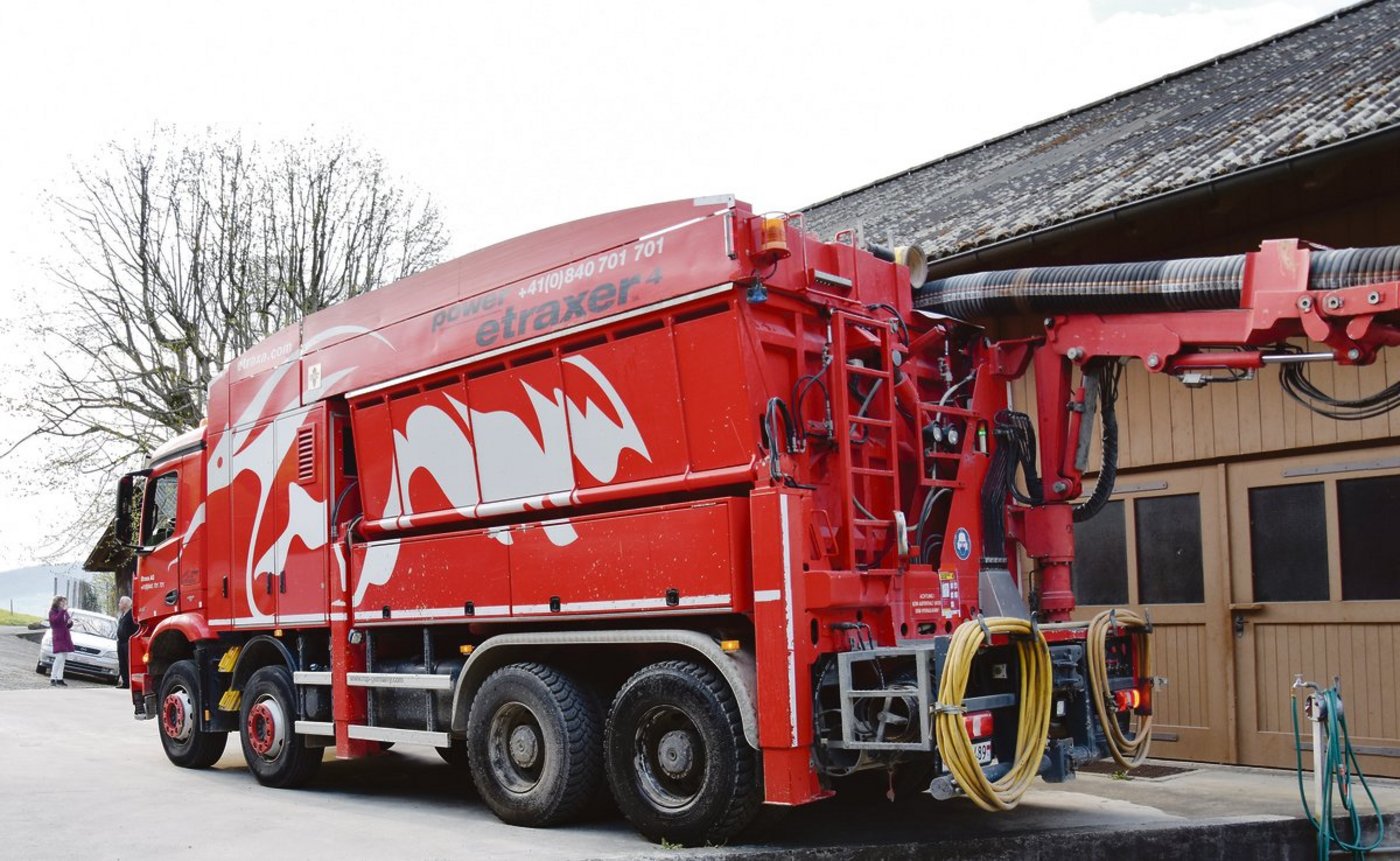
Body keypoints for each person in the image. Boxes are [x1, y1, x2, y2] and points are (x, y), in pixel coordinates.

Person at [48, 596, 74, 687]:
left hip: (65, 636)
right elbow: (55, 621)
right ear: (57, 602)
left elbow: (67, 624)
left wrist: (70, 622)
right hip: (58, 636)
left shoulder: (64, 612)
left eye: (65, 602)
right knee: (58, 657)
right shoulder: (52, 611)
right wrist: (63, 611)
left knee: (63, 658)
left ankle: (60, 678)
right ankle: (52, 678)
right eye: (62, 602)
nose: (64, 603)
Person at [115, 595, 136, 688]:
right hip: (121, 642)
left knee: (128, 662)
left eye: (120, 602)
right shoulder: (122, 615)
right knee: (122, 662)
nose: (119, 604)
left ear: (125, 604)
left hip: (127, 642)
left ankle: (130, 682)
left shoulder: (131, 615)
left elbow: (134, 628)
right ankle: (125, 682)